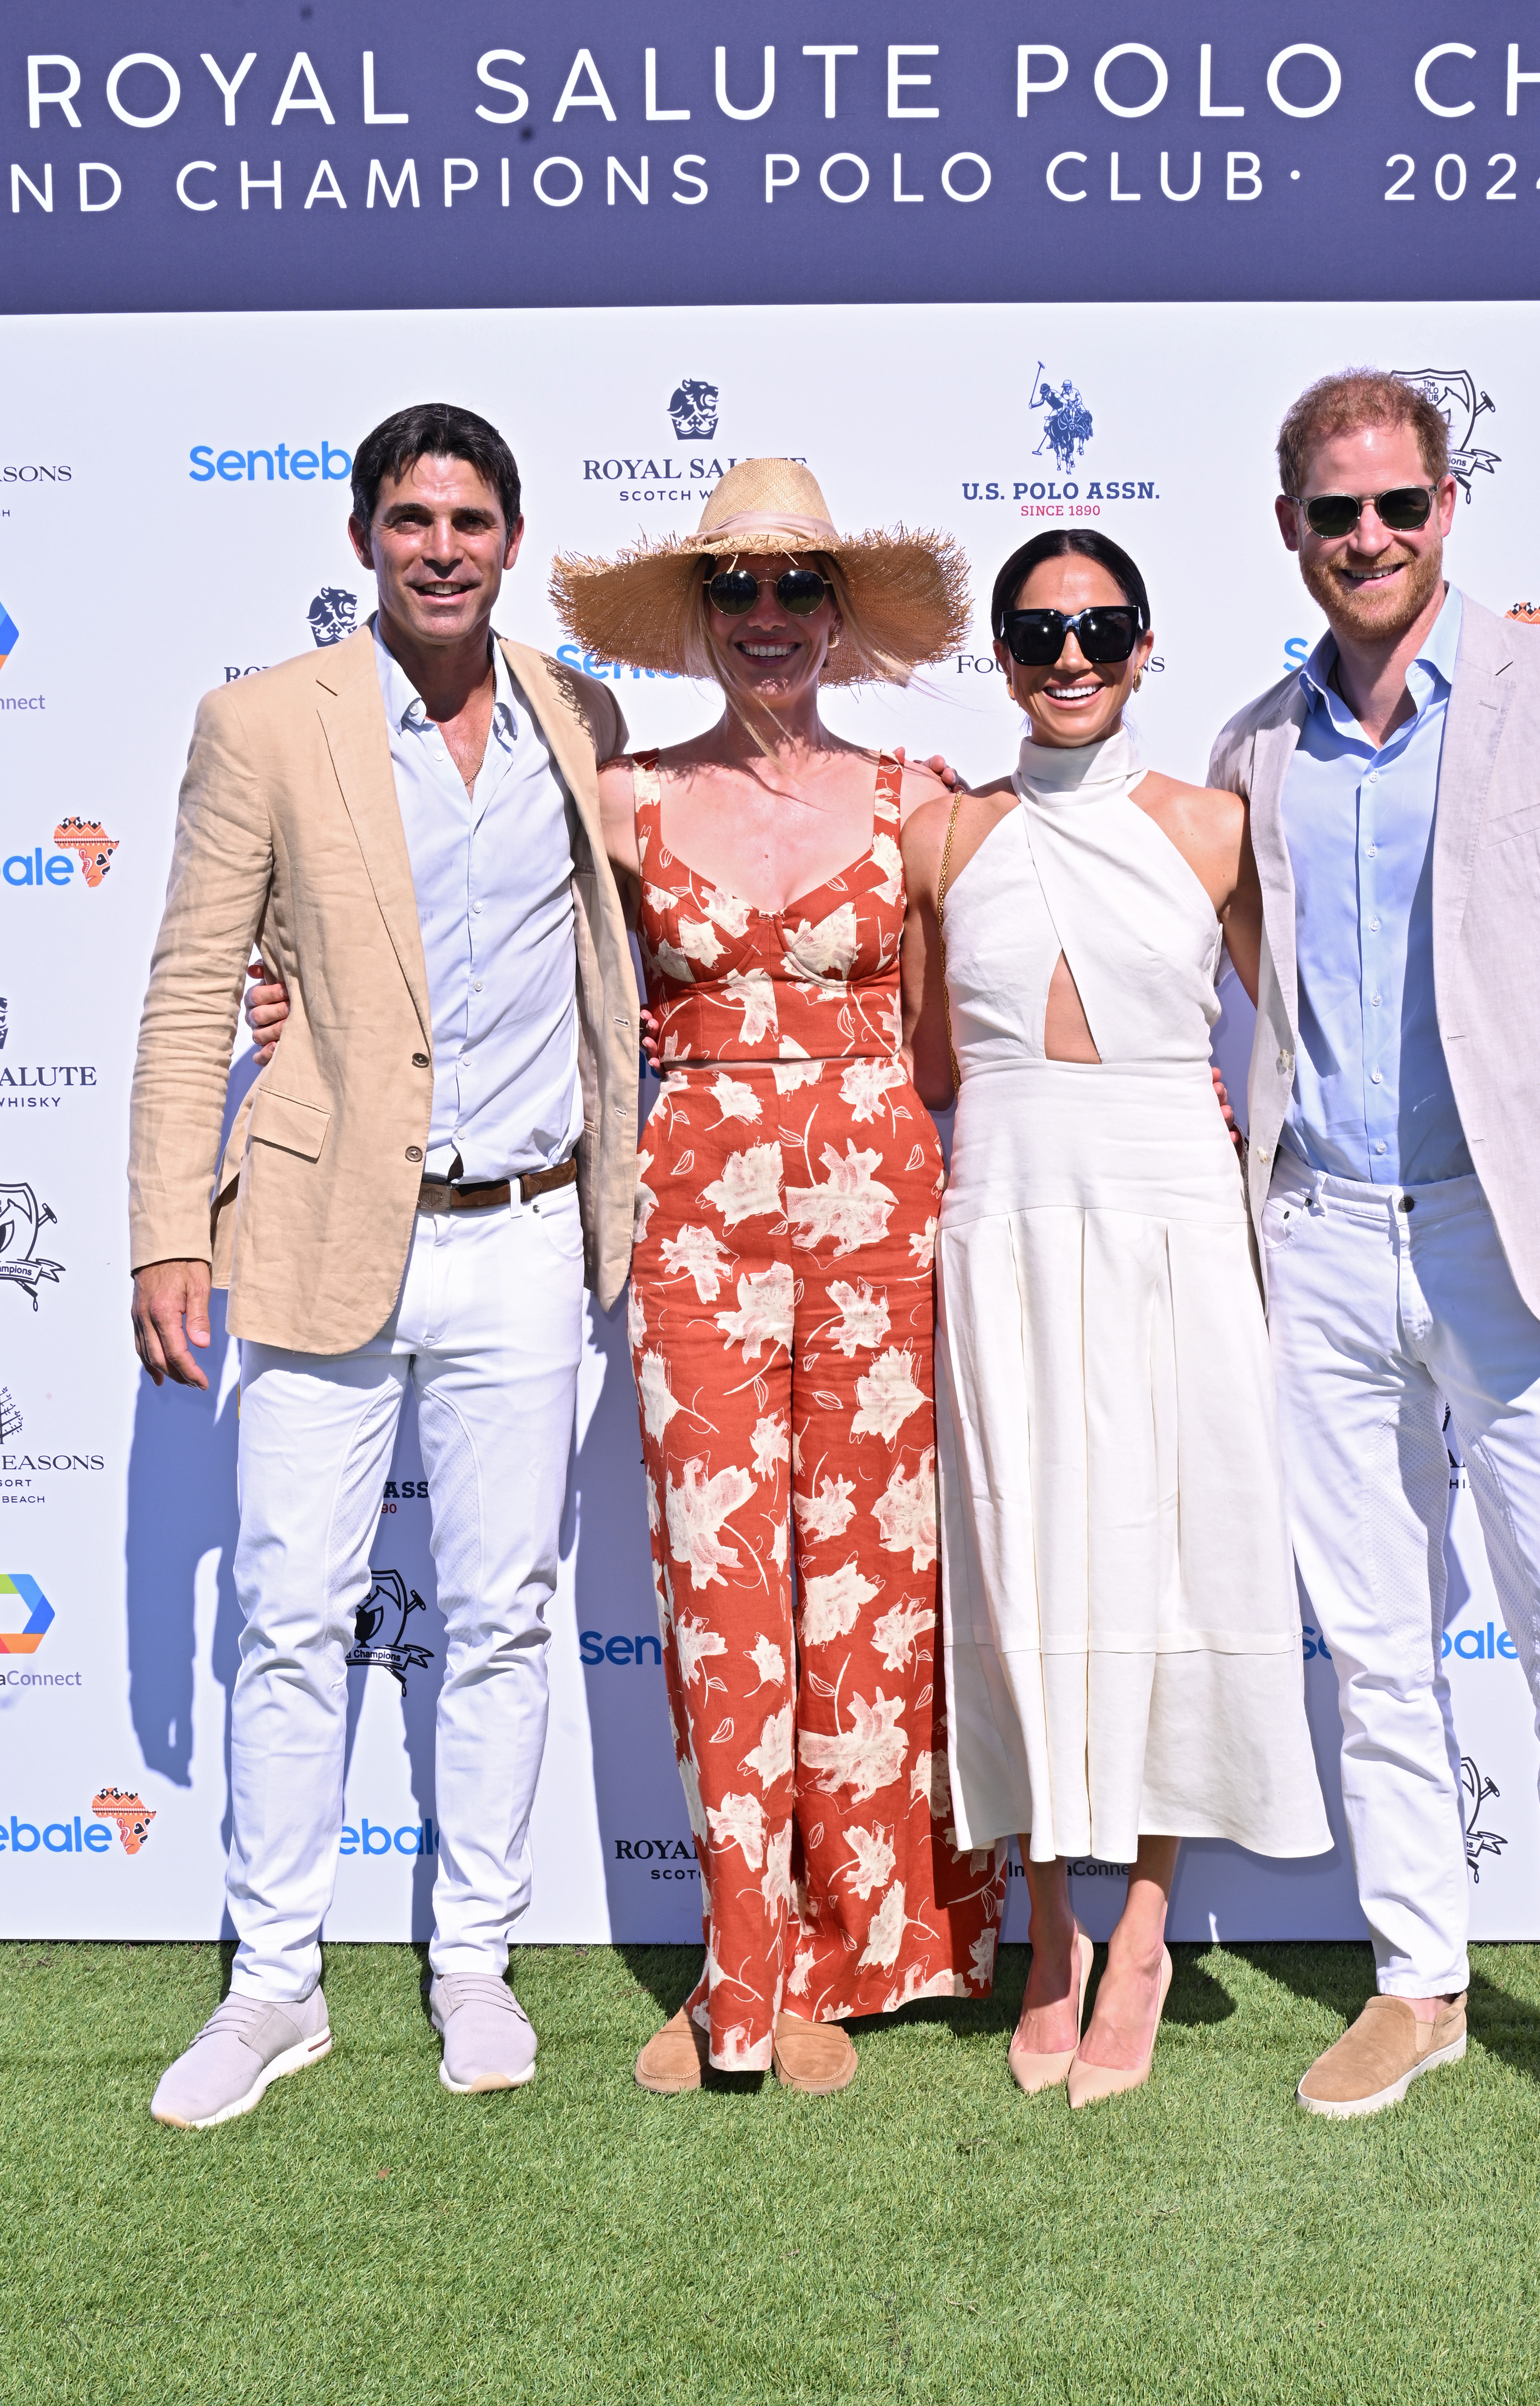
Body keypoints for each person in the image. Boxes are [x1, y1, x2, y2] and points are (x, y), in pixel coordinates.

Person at [1210, 368, 1540, 2188]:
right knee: (1375, 1645)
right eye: (1335, 513)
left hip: (1526, 1248)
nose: (1369, 539)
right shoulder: (1255, 745)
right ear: (1292, 531)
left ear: (1447, 510)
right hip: (1326, 1238)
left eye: (1398, 506)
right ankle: (1418, 1978)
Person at [128, 402, 640, 2126]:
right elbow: (197, 983)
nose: (440, 547)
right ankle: (274, 1986)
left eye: (471, 519)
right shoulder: (264, 725)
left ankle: (473, 1963)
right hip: (324, 1228)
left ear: (512, 540)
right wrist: (160, 1229)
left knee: (498, 1617)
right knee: (288, 1616)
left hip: (529, 1234)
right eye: (410, 518)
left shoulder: (582, 717)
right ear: (361, 540)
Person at [552, 460, 1007, 2093]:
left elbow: (961, 1033)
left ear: (839, 614)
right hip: (692, 1220)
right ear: (697, 615)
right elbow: (488, 953)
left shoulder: (921, 798)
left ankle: (854, 1951)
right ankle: (740, 1971)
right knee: (719, 1589)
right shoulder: (625, 802)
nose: (767, 620)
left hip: (886, 1209)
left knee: (869, 1589)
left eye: (796, 589)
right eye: (735, 591)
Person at [901, 531, 1332, 2108]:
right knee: (1023, 1566)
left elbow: (1300, 1031)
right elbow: (930, 1061)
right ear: (999, 656)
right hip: (1006, 1209)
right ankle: (1050, 1932)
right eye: (1037, 631)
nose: (1069, 657)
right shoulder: (945, 837)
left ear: (1146, 646)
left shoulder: (1216, 828)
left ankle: (1143, 1926)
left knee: (1162, 1556)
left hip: (1173, 1212)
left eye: (1099, 629)